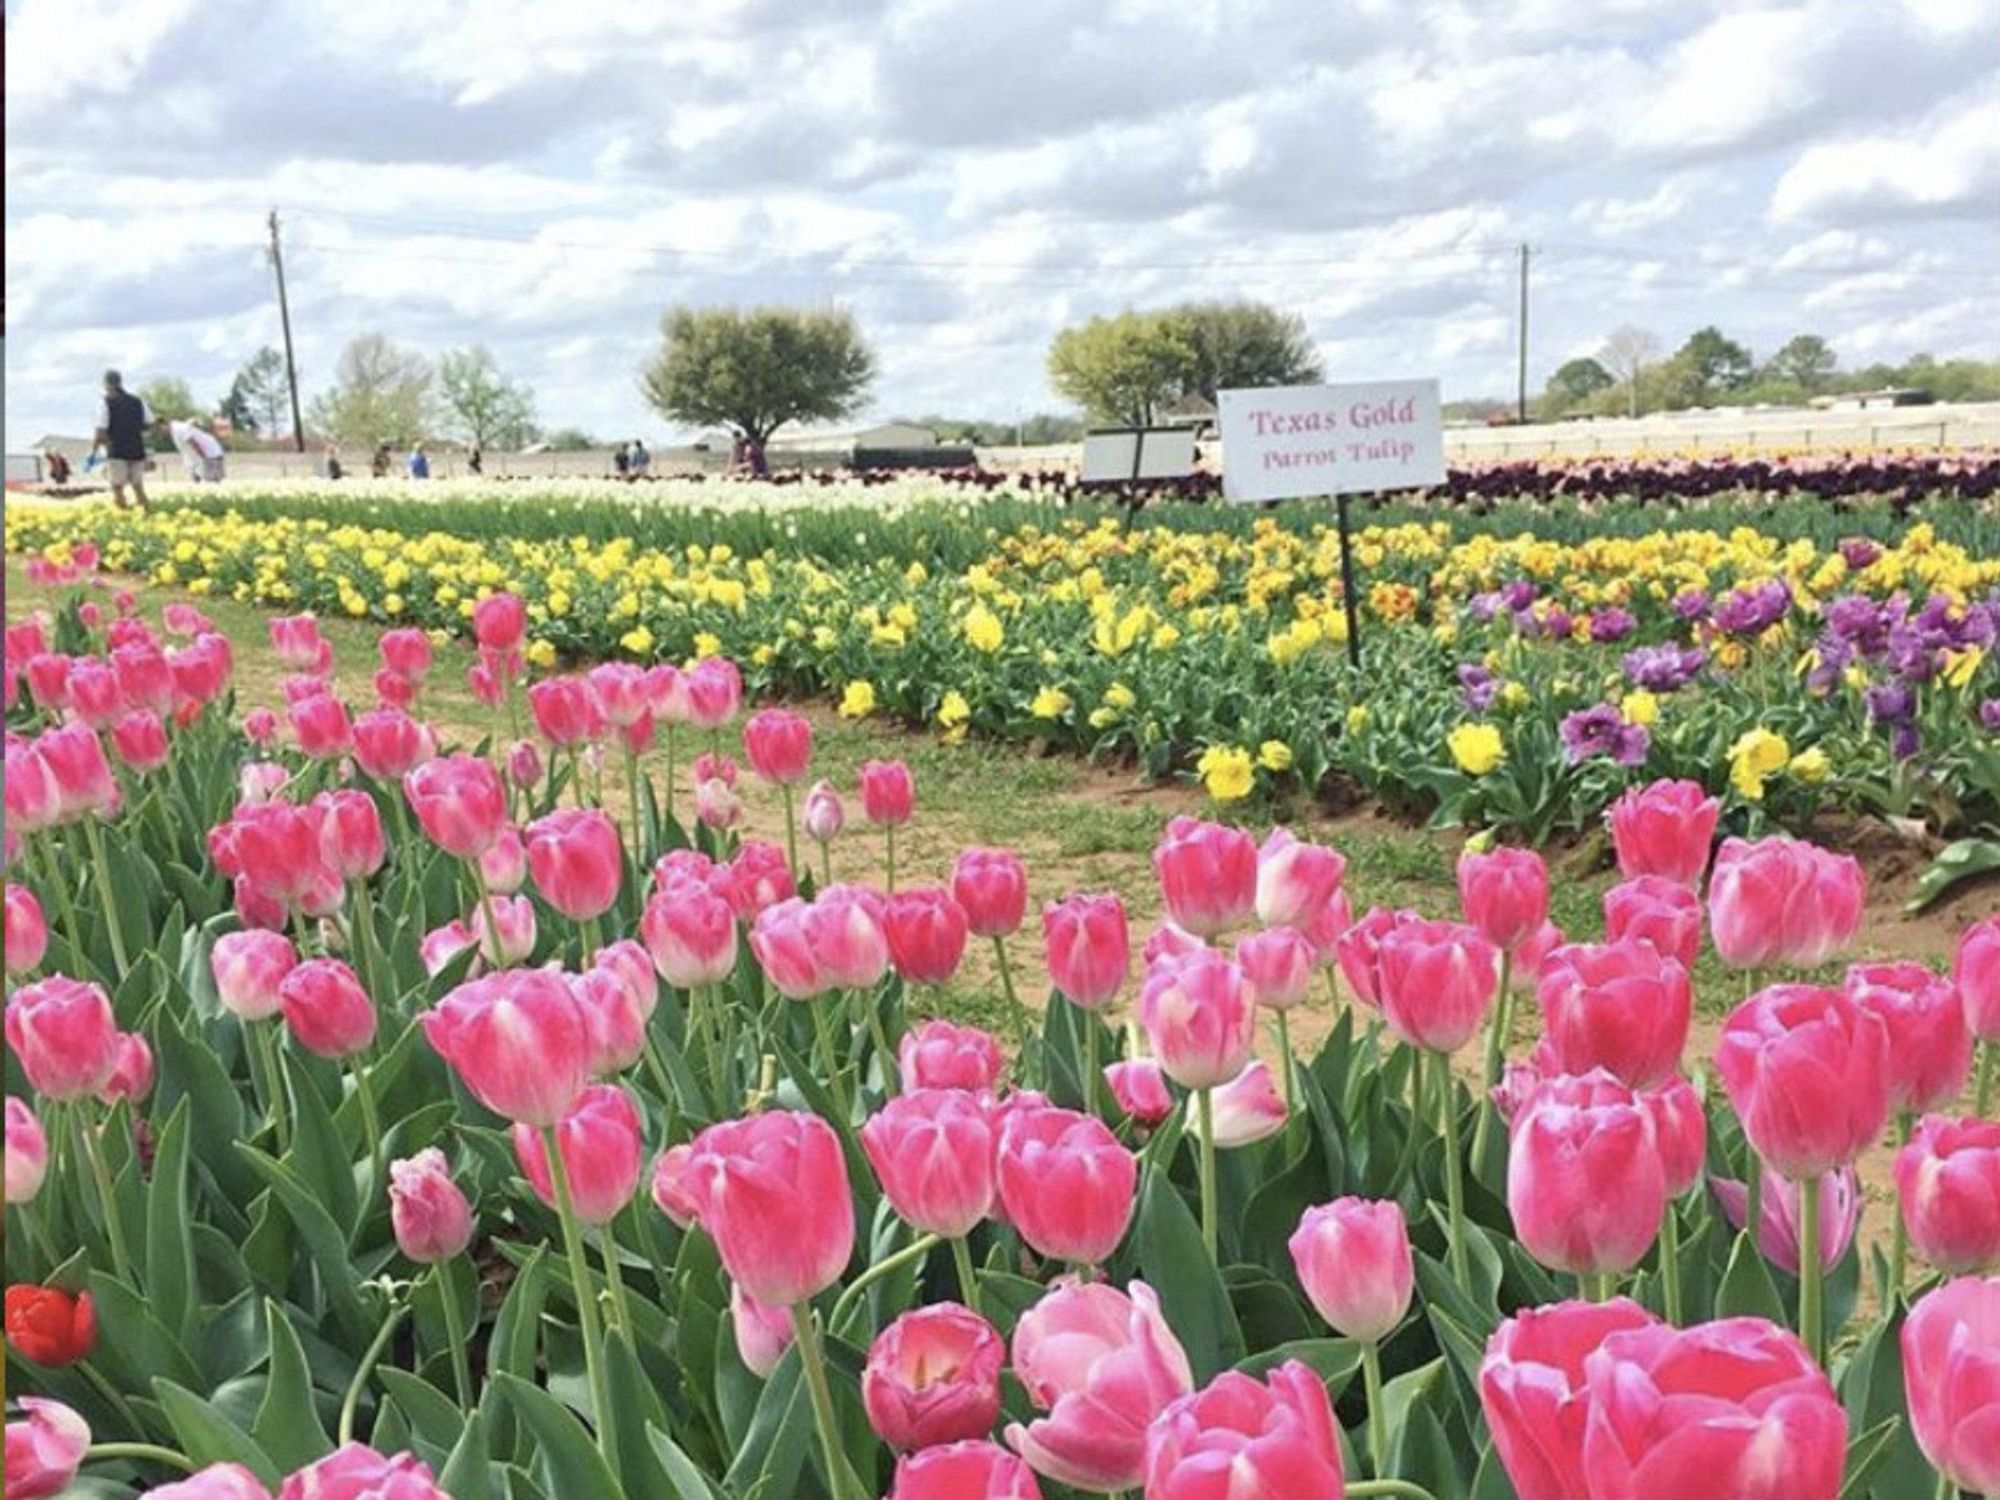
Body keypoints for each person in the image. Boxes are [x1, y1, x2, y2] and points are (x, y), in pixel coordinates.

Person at [93, 369, 153, 508]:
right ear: (120, 382)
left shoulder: (106, 402)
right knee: (138, 486)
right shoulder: (138, 401)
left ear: (106, 384)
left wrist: (95, 449)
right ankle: (146, 513)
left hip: (117, 450)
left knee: (117, 487)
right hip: (137, 449)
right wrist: (134, 429)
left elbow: (100, 430)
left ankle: (123, 515)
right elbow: (150, 423)